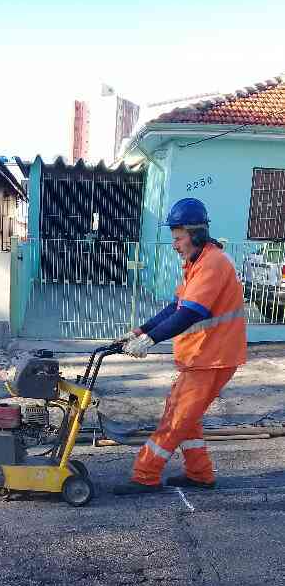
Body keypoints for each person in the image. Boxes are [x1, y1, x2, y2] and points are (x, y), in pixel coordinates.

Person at [114, 197, 247, 496]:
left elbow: (190, 313)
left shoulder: (213, 263)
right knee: (187, 419)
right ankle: (200, 475)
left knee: (175, 419)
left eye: (178, 238)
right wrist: (139, 331)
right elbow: (176, 306)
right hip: (203, 356)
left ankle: (145, 475)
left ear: (196, 233)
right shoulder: (197, 263)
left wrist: (149, 341)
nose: (174, 245)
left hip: (211, 357)